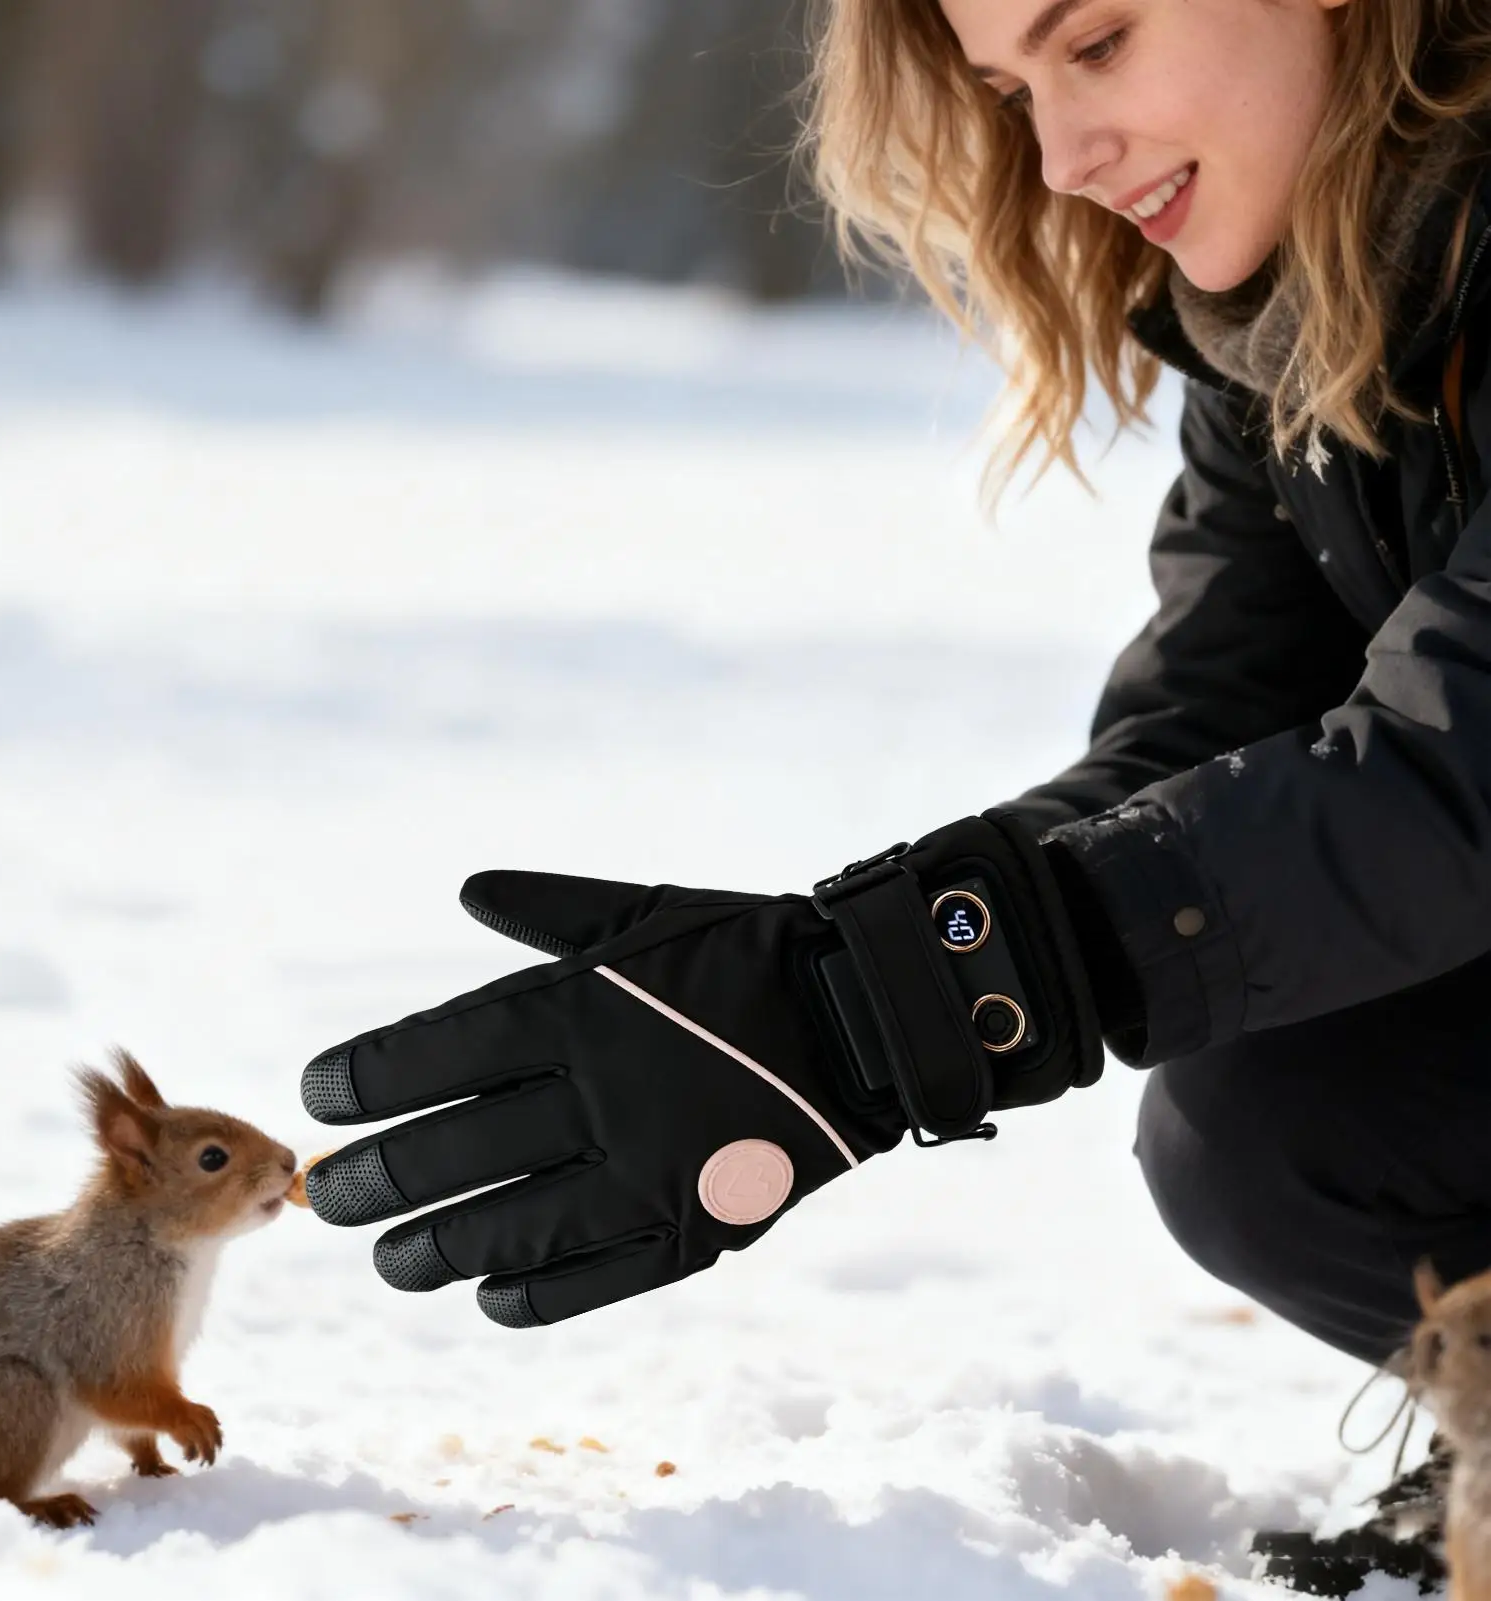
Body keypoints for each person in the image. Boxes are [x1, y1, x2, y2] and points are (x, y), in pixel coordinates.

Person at [297, 0, 1491, 1591]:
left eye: (1101, 43)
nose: (1062, 159)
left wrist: (913, 1002)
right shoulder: (1301, 326)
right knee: (1278, 1122)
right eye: (1013, 90)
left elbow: (1449, 764)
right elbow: (1210, 729)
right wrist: (832, 997)